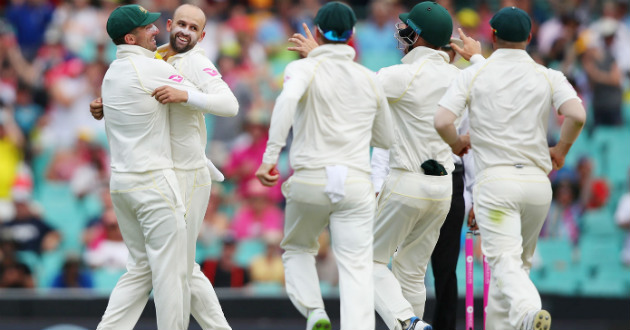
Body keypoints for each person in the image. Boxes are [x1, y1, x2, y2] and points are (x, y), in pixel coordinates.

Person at [434, 6, 587, 330]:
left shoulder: (474, 74)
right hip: (536, 186)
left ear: (492, 36)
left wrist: (456, 143)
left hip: (497, 186)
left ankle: (531, 311)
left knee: (503, 263)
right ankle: (518, 318)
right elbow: (577, 114)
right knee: (515, 269)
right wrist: (561, 149)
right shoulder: (547, 75)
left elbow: (442, 121)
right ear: (530, 37)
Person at [91, 4, 238, 330]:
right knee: (175, 272)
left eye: (193, 26)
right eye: (150, 27)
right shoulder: (151, 63)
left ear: (203, 35)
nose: (156, 29)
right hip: (157, 182)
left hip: (137, 181)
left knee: (158, 269)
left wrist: (184, 95)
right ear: (132, 36)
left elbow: (227, 104)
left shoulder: (116, 69)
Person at [255, 2, 393, 330]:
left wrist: (270, 158)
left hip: (311, 179)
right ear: (353, 36)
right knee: (357, 266)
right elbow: (386, 137)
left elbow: (287, 101)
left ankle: (315, 311)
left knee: (297, 248)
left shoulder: (303, 68)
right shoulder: (369, 78)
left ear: (316, 32)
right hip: (356, 184)